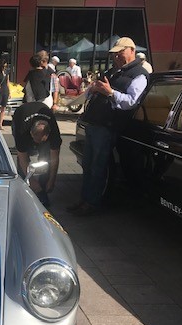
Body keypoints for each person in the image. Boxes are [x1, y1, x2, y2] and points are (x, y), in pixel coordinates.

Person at [68, 36, 148, 216]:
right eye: (114, 54)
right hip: (94, 122)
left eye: (120, 53)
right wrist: (93, 89)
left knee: (97, 166)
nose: (116, 57)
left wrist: (110, 92)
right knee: (88, 165)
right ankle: (84, 199)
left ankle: (92, 202)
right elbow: (94, 92)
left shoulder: (139, 74)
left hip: (107, 126)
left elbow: (131, 102)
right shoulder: (113, 71)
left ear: (132, 51)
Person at [12, 102, 62, 207]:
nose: (37, 143)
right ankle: (23, 189)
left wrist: (51, 180)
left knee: (46, 158)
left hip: (42, 111)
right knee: (23, 159)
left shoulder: (54, 133)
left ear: (47, 135)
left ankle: (42, 191)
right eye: (36, 140)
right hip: (20, 114)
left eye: (41, 140)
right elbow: (23, 158)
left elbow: (54, 158)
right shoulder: (22, 132)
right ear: (31, 133)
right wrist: (31, 180)